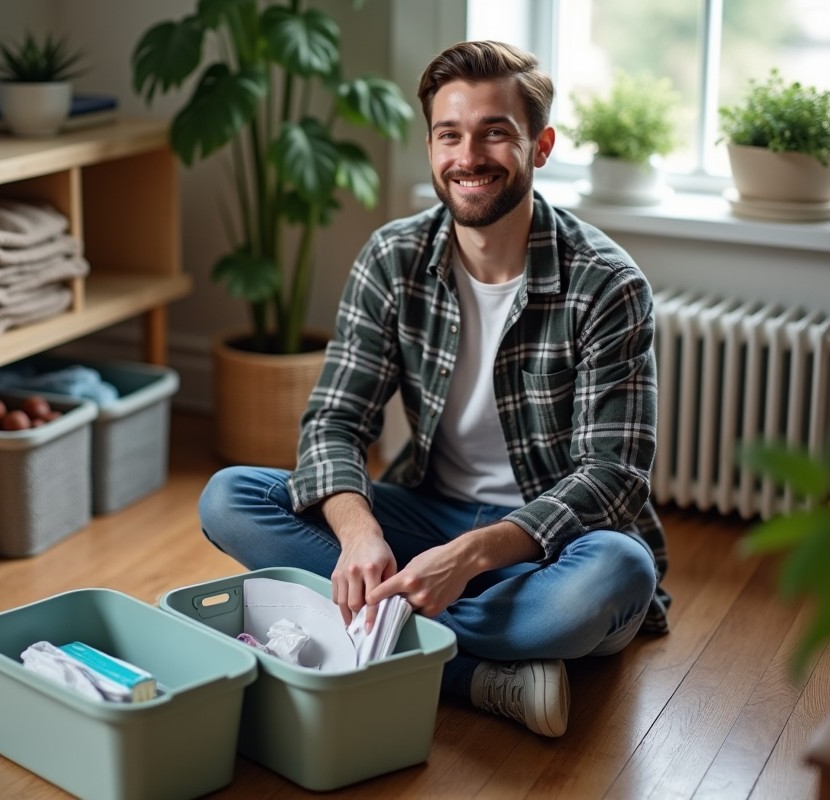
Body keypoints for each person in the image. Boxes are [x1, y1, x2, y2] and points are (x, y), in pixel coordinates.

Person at [198, 40, 669, 738]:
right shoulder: (394, 257)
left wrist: (472, 558)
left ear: (540, 146)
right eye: (450, 134)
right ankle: (478, 673)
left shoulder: (607, 282)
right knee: (230, 497)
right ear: (430, 145)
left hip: (550, 546)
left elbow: (613, 479)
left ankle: (382, 638)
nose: (468, 156)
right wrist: (358, 537)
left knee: (619, 572)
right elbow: (333, 422)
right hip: (426, 512)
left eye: (494, 134)